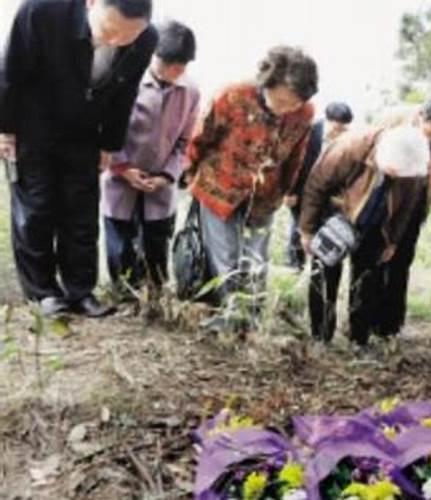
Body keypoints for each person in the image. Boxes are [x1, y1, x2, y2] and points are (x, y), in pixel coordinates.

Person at [0, 0, 157, 317]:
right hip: (34, 127)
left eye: (126, 37)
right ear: (92, 4)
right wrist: (5, 129)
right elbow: (9, 72)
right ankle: (43, 293)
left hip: (85, 132)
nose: (114, 41)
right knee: (36, 209)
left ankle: (80, 291)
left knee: (81, 211)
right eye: (109, 31)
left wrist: (109, 145)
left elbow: (125, 95)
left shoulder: (146, 38)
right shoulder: (41, 11)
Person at [186, 45, 318, 331]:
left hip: (265, 194)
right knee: (225, 255)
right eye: (281, 100)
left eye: (292, 104)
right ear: (267, 82)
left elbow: (297, 154)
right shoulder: (232, 95)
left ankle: (252, 317)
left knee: (257, 258)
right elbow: (201, 136)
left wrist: (287, 189)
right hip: (218, 186)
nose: (285, 110)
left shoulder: (305, 113)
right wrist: (191, 172)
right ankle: (230, 316)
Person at [298, 126, 430, 352]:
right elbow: (316, 185)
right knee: (323, 277)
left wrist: (393, 240)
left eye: (399, 173)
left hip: (376, 227)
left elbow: (406, 208)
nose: (394, 176)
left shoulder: (414, 169)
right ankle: (321, 336)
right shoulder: (350, 147)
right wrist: (307, 230)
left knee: (367, 282)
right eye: (391, 170)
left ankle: (358, 338)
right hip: (335, 217)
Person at [102, 20, 200, 300]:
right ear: (153, 56)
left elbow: (185, 142)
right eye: (166, 64)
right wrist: (122, 167)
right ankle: (123, 298)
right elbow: (104, 128)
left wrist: (167, 175)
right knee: (120, 244)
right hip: (121, 175)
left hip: (160, 182)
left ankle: (155, 298)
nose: (172, 72)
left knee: (157, 243)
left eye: (180, 67)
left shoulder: (190, 92)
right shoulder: (125, 78)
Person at [374, 95, 431, 338]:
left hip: (417, 202)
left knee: (402, 261)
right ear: (421, 117)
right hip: (387, 197)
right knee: (376, 257)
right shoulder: (394, 120)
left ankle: (391, 324)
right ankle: (367, 319)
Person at [285, 102, 353, 271]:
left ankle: (319, 265)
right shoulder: (310, 132)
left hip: (327, 192)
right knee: (298, 225)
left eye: (343, 129)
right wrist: (290, 191)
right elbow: (294, 163)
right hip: (302, 188)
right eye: (336, 128)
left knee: (320, 226)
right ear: (327, 121)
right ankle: (295, 264)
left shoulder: (348, 139)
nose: (338, 133)